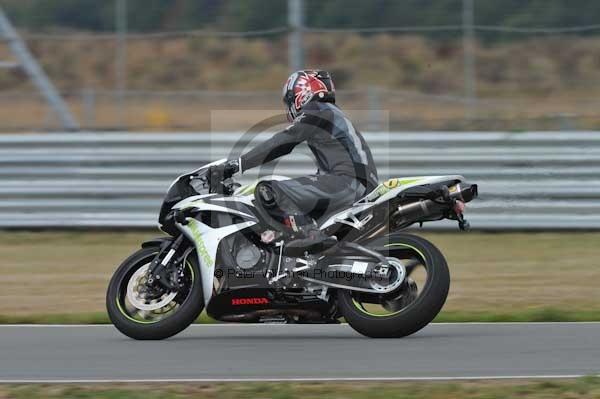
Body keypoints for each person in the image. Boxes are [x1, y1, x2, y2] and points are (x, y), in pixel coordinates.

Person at [217, 70, 378, 253]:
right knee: (295, 204)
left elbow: (285, 140)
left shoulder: (318, 109)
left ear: (303, 93)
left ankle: (310, 234)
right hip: (356, 184)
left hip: (349, 183)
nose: (289, 106)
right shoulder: (331, 114)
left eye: (289, 99)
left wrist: (239, 163)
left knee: (268, 191)